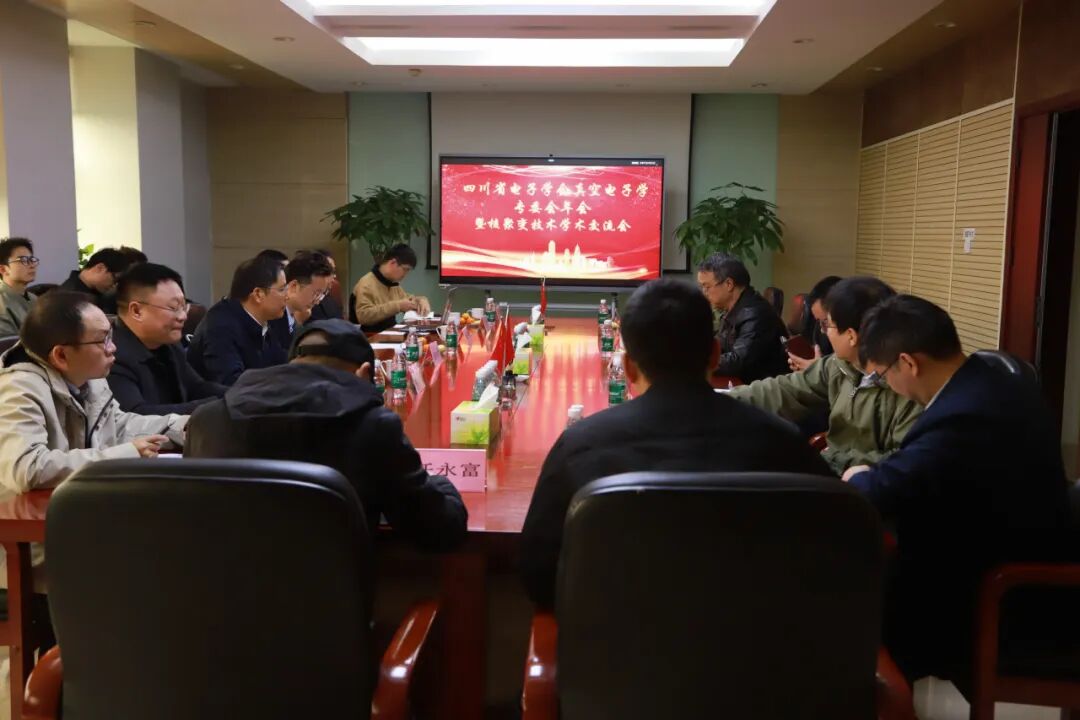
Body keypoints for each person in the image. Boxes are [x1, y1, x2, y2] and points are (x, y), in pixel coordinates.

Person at [519, 278, 834, 608]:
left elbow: (538, 572)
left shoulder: (580, 448)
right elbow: (833, 545)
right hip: (750, 632)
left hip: (619, 634)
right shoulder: (782, 442)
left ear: (628, 367)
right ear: (715, 355)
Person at [843, 295, 1072, 686]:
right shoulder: (989, 378)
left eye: (882, 376)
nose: (888, 387)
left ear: (908, 363)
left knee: (843, 604)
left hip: (1000, 597)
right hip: (992, 558)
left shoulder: (966, 414)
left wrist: (858, 476)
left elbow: (883, 491)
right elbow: (922, 470)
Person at [187, 319, 468, 551]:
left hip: (214, 597)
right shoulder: (373, 427)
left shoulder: (207, 420)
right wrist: (441, 483)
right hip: (330, 601)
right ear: (364, 374)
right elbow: (439, 530)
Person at [727, 277, 921, 475]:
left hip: (866, 484)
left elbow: (909, 461)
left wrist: (831, 460)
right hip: (831, 471)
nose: (824, 332)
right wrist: (721, 399)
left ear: (851, 335)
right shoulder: (838, 365)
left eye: (827, 324)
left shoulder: (908, 384)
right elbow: (785, 389)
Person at [0, 291, 187, 493]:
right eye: (102, 340)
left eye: (111, 336)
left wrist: (183, 427)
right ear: (61, 355)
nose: (113, 347)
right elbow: (28, 468)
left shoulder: (89, 377)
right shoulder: (17, 389)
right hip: (21, 509)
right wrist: (126, 454)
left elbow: (118, 426)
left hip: (73, 498)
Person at [109, 263, 226, 415]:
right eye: (173, 308)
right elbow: (136, 415)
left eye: (184, 307)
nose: (183, 316)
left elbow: (196, 387)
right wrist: (219, 405)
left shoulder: (169, 344)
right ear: (137, 311)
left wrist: (237, 395)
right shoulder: (111, 355)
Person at [187, 255, 289, 386]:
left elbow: (282, 366)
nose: (287, 296)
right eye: (282, 289)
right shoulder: (220, 328)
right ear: (258, 294)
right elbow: (232, 384)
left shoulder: (263, 321)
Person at [696, 253, 789, 382]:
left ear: (729, 284)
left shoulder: (755, 314)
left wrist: (695, 362)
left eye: (707, 287)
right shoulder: (734, 309)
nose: (704, 293)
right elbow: (720, 345)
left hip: (762, 389)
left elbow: (738, 362)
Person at [353, 243, 430, 333]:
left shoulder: (392, 283)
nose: (405, 274)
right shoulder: (366, 283)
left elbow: (407, 300)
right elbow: (363, 316)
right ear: (393, 263)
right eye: (405, 269)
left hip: (390, 332)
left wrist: (421, 300)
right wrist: (398, 306)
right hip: (371, 336)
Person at [268, 251, 334, 350]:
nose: (317, 301)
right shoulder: (271, 317)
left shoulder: (294, 318)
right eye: (316, 293)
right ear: (294, 286)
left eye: (321, 294)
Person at [789, 275, 842, 372]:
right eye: (818, 321)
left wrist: (817, 371)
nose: (822, 330)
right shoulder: (819, 330)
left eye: (825, 321)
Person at [59, 247, 133, 314]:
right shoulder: (71, 297)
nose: (114, 285)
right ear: (100, 268)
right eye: (114, 279)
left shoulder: (95, 292)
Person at [0, 237, 40, 336]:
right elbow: (8, 343)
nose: (32, 265)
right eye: (23, 260)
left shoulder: (34, 298)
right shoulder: (2, 302)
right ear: (3, 269)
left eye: (32, 259)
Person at [309, 248, 345, 321]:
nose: (334, 276)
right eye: (329, 271)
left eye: (334, 271)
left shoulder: (332, 301)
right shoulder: (305, 303)